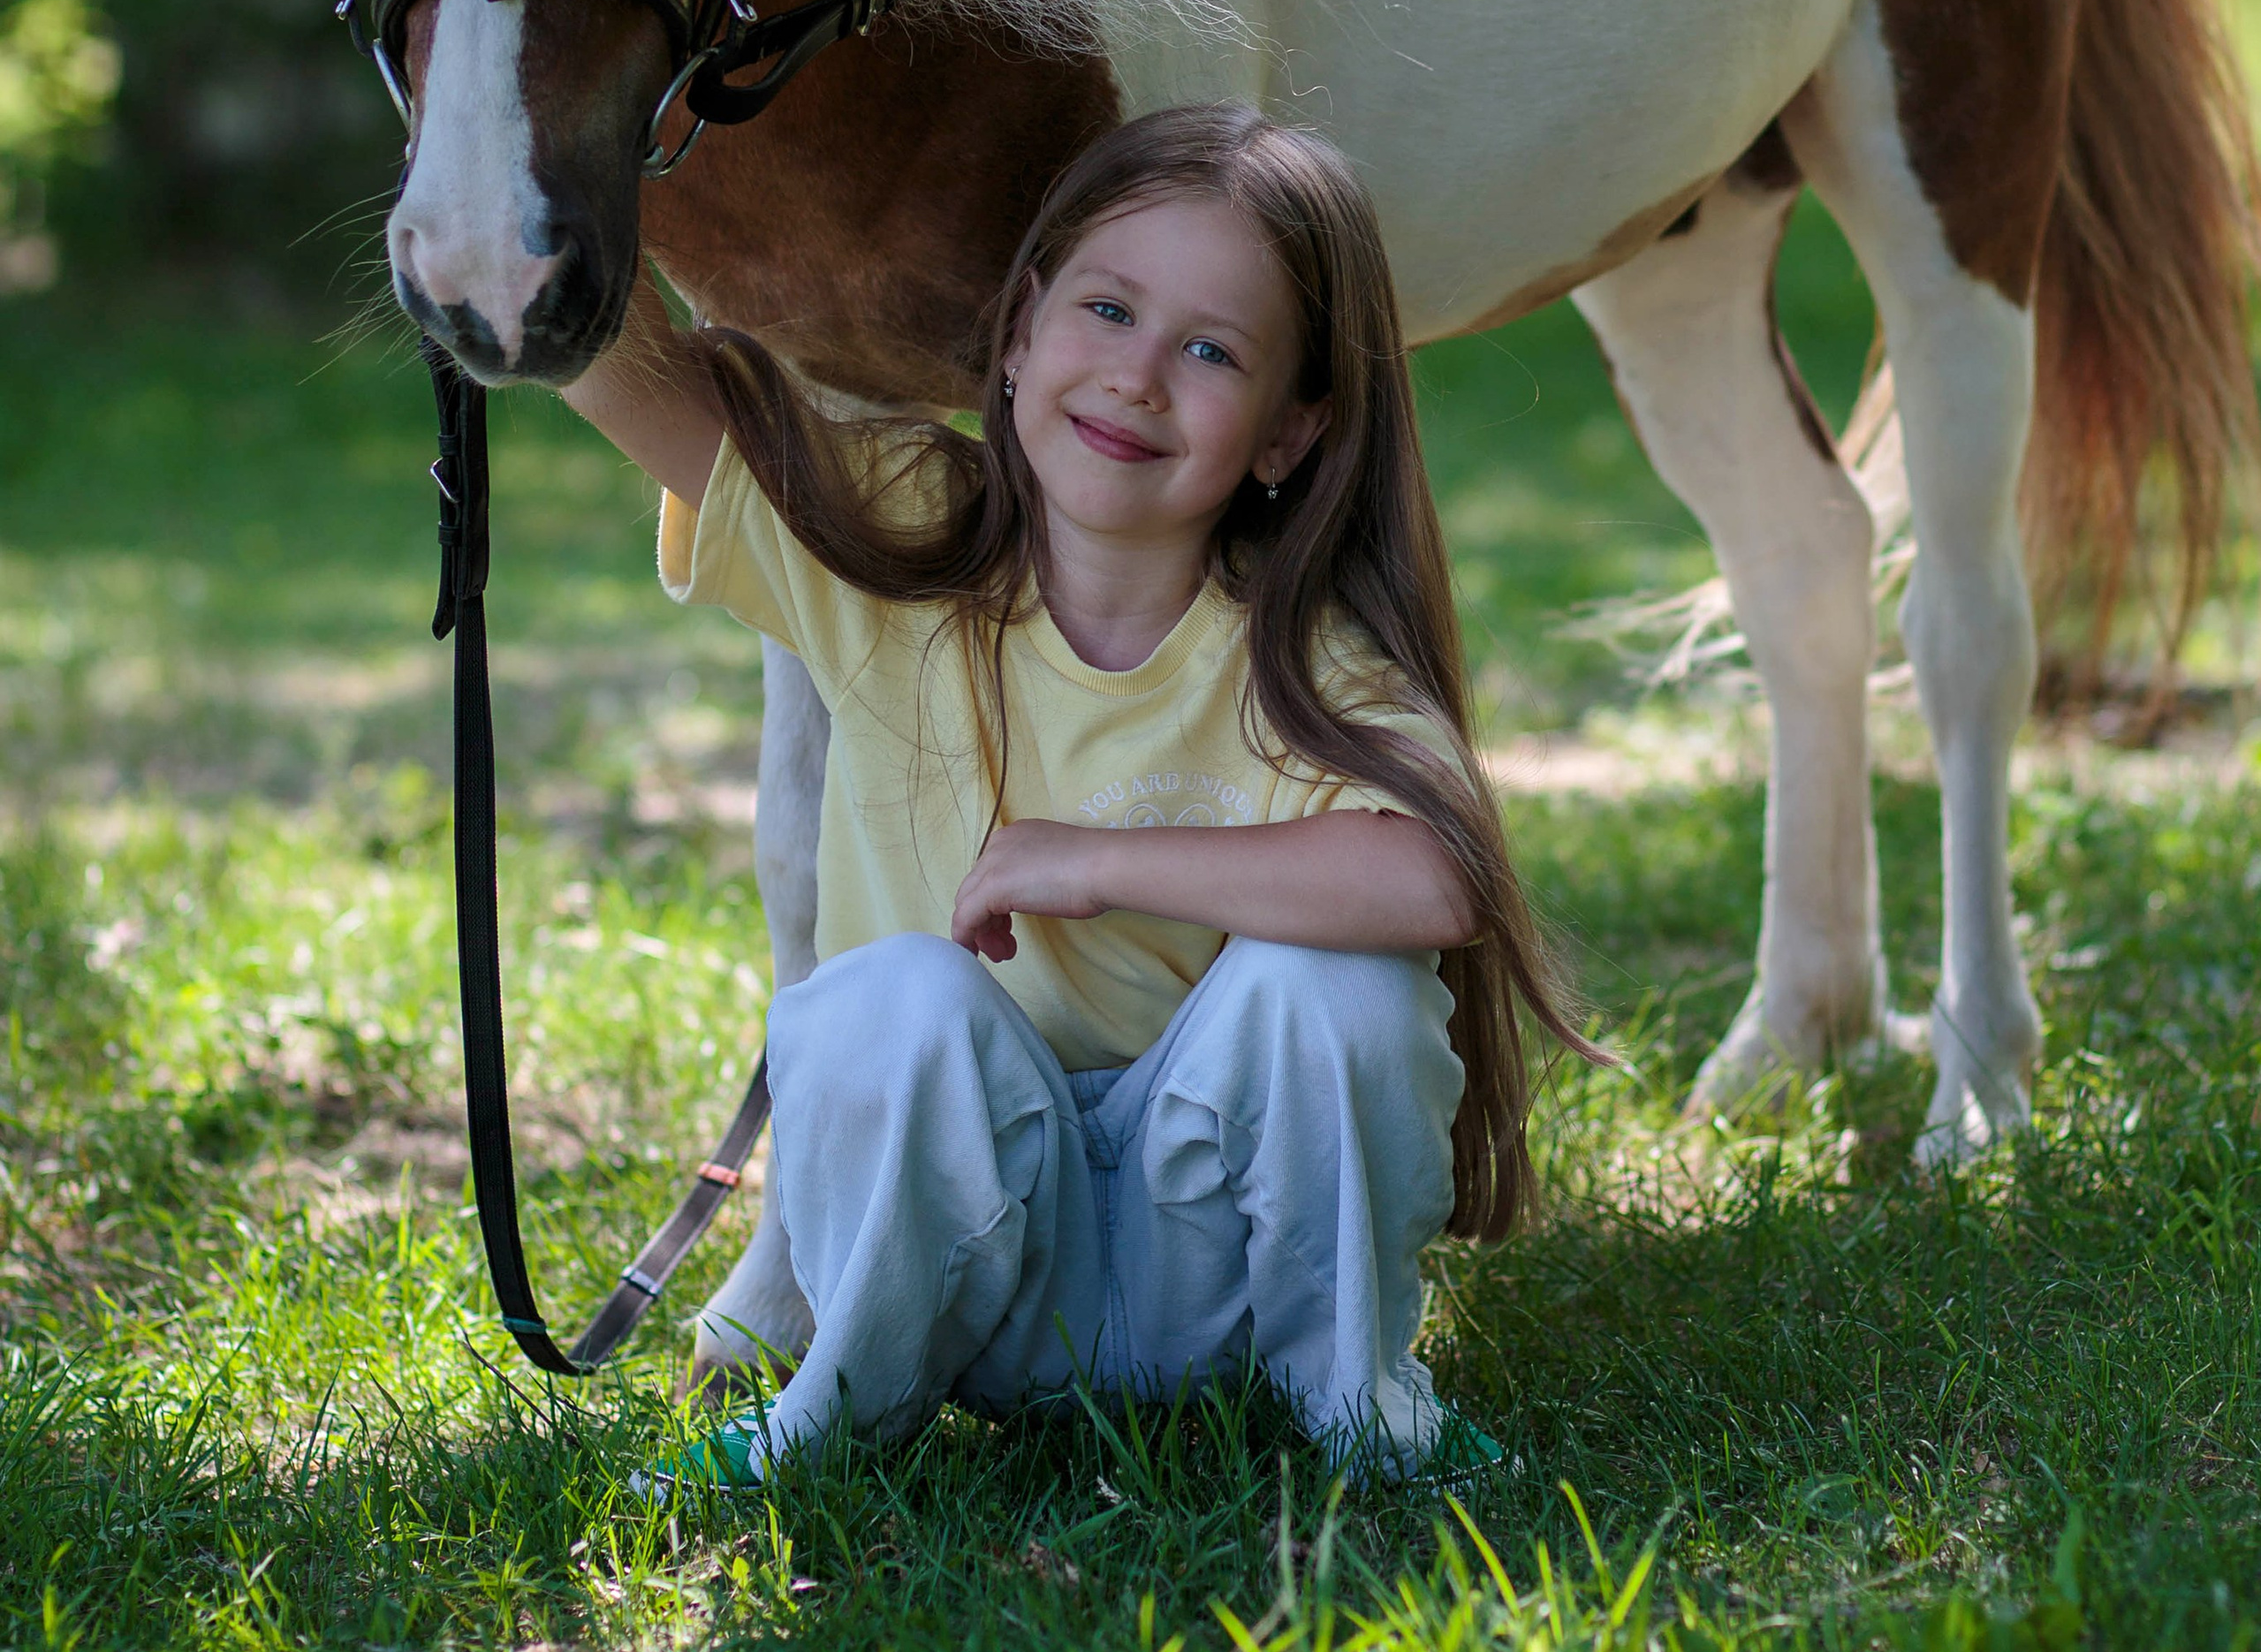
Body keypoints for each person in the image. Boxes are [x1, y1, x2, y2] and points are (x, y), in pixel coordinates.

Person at [562, 102, 1590, 1487]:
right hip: (969, 1274)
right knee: (883, 1002)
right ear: (1022, 331)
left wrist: (1099, 860)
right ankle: (832, 1412)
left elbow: (1441, 877)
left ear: (1290, 434)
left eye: (1212, 350)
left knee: (1338, 987)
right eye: (1106, 310)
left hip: (1219, 1274)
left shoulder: (1294, 651)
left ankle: (1358, 1403)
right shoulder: (897, 541)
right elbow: (627, 384)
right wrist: (504, 171)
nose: (1138, 376)